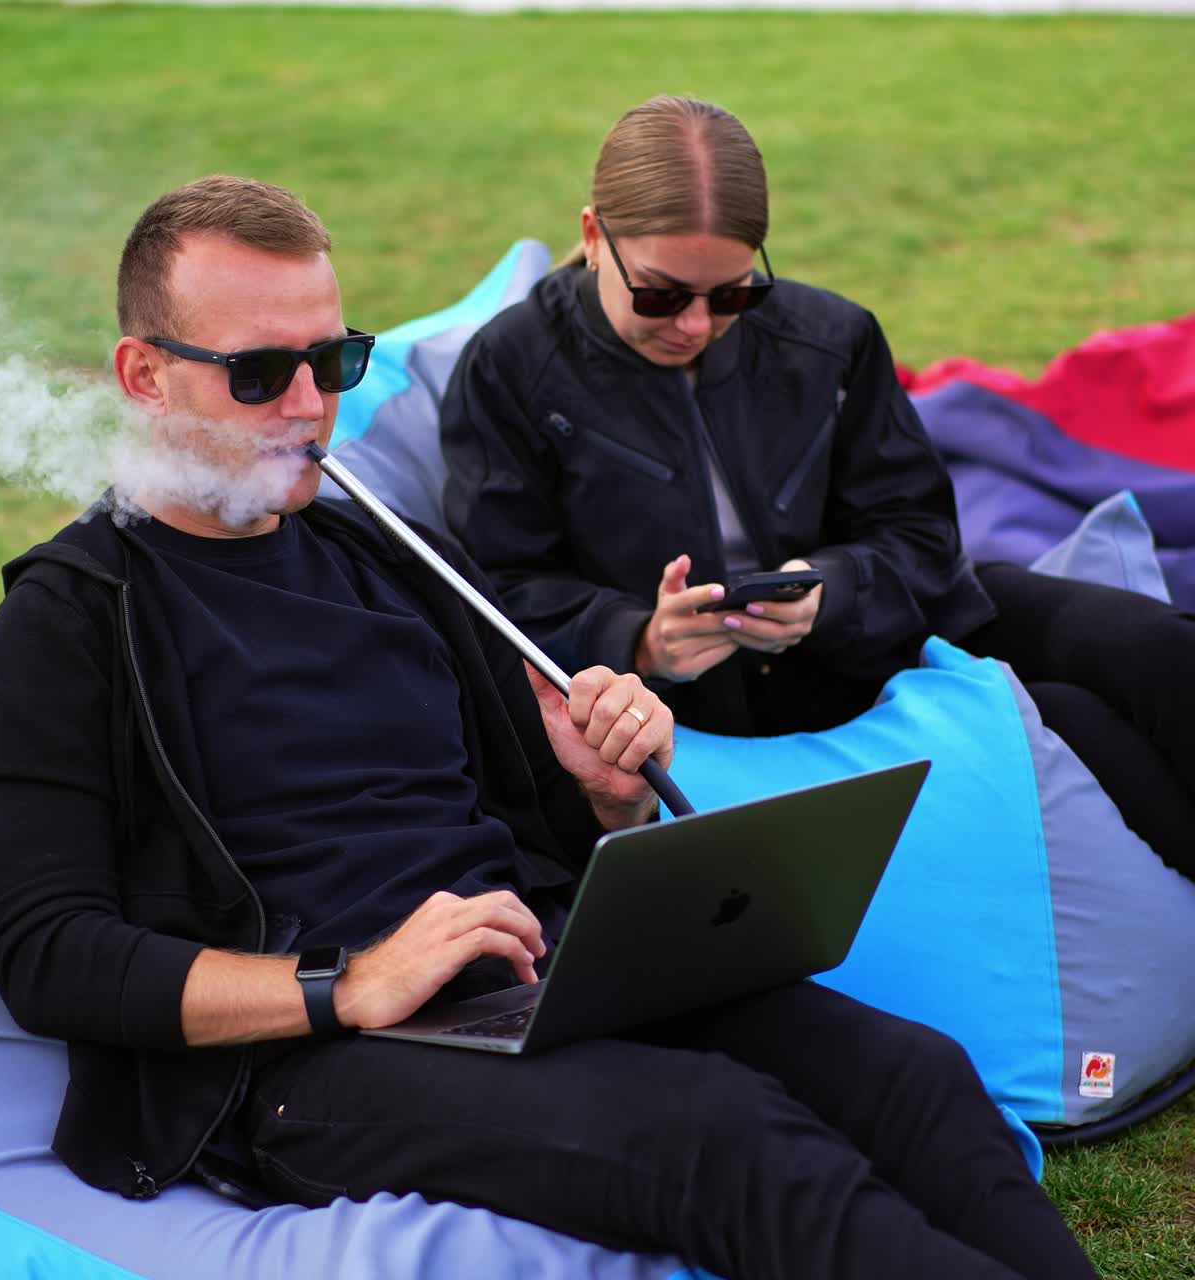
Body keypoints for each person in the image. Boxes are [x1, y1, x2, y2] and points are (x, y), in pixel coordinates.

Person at [0, 175, 1100, 1280]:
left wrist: (602, 790)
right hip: (316, 1058)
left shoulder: (385, 553)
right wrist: (341, 985)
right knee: (718, 1134)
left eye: (333, 359)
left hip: (529, 970)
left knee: (911, 1071)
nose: (310, 405)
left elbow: (527, 823)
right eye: (260, 372)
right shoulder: (71, 620)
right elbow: (47, 951)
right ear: (144, 374)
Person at [440, 94, 1195, 879]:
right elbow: (496, 594)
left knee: (1158, 647)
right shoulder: (512, 368)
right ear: (595, 237)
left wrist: (824, 588)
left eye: (732, 294)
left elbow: (924, 536)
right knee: (1080, 730)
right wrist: (641, 639)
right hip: (714, 701)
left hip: (878, 618)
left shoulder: (826, 336)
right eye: (661, 295)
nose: (695, 325)